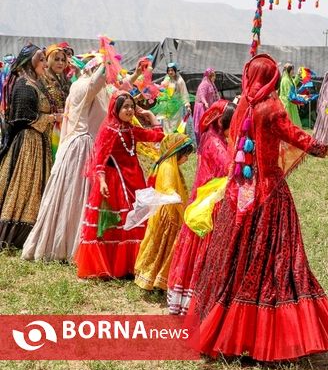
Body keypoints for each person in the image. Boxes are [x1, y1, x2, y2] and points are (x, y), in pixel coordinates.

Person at [184, 54, 328, 361]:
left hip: (240, 196)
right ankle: (269, 337)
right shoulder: (271, 109)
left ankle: (226, 333)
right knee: (279, 265)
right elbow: (311, 144)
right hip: (269, 196)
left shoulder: (244, 108)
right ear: (273, 79)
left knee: (238, 264)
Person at [22, 61, 108, 262]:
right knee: (78, 196)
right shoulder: (86, 86)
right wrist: (106, 59)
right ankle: (74, 246)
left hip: (75, 146)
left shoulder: (79, 85)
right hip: (82, 146)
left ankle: (60, 243)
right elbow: (97, 81)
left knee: (69, 195)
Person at [75, 92, 164, 279]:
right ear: (116, 109)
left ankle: (134, 265)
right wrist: (101, 181)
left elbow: (157, 136)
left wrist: (150, 116)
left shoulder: (130, 130)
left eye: (132, 106)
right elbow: (99, 157)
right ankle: (114, 265)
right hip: (116, 182)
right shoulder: (109, 129)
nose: (129, 110)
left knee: (137, 217)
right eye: (125, 107)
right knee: (119, 222)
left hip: (134, 179)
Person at [167, 100, 235, 315]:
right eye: (235, 122)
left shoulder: (219, 138)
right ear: (223, 122)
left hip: (216, 199)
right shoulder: (213, 141)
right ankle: (197, 299)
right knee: (205, 248)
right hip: (210, 203)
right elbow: (228, 167)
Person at [0, 44, 55, 250]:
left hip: (38, 143)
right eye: (40, 59)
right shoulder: (23, 85)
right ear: (30, 62)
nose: (44, 64)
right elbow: (25, 117)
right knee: (23, 188)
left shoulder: (35, 82)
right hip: (27, 144)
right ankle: (15, 235)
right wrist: (52, 117)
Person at [134, 134, 194, 291]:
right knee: (164, 248)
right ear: (177, 153)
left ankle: (157, 278)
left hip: (170, 211)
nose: (187, 159)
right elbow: (168, 188)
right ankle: (156, 277)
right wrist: (176, 198)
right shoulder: (167, 167)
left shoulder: (170, 164)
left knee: (162, 247)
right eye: (185, 155)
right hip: (169, 214)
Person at [161, 62, 191, 133]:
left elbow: (184, 93)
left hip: (177, 108)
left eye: (172, 70)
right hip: (167, 107)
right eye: (169, 70)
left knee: (175, 124)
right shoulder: (166, 80)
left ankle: (176, 141)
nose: (170, 72)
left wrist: (187, 105)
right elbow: (163, 92)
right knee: (167, 124)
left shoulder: (180, 81)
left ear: (175, 71)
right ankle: (168, 140)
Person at [193, 68, 219, 144]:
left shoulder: (212, 84)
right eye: (213, 76)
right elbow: (202, 95)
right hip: (202, 107)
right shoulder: (204, 84)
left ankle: (208, 140)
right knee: (203, 124)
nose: (214, 78)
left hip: (208, 107)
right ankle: (201, 141)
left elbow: (216, 95)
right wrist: (205, 103)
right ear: (209, 76)